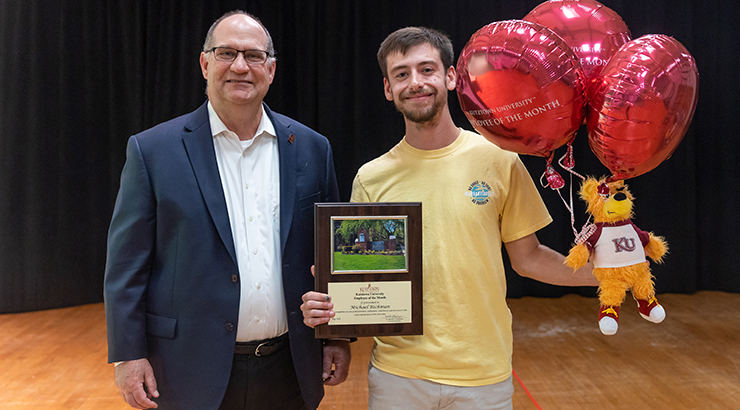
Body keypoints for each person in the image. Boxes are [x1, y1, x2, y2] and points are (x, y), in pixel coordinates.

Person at [300, 27, 597, 410]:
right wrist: (331, 310)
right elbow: (361, 280)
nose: (416, 82)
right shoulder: (372, 177)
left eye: (427, 69)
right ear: (388, 88)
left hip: (483, 376)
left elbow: (529, 258)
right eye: (402, 74)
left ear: (452, 77)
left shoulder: (499, 159)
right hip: (398, 376)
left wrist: (605, 275)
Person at [104, 10, 350, 410]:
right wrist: (128, 354)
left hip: (290, 368)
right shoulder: (152, 151)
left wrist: (336, 336)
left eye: (253, 56)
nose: (240, 66)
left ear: (271, 69)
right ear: (205, 64)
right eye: (226, 53)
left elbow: (332, 257)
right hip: (187, 369)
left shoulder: (312, 148)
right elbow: (126, 268)